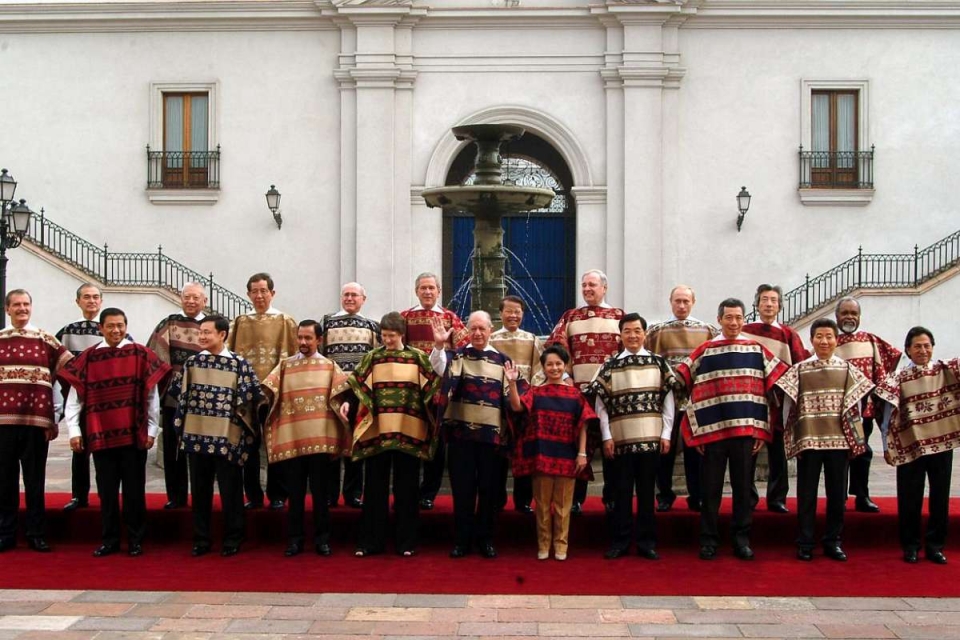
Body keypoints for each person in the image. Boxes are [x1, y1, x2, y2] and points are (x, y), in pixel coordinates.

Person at [675, 298, 788, 561]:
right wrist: (697, 428)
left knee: (743, 488)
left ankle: (741, 539)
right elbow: (682, 381)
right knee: (710, 489)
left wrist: (761, 429)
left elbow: (771, 387)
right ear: (719, 320)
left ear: (744, 320)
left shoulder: (756, 350)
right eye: (729, 317)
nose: (734, 322)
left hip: (745, 433)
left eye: (738, 317)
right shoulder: (705, 350)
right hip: (713, 433)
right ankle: (708, 540)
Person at [59, 308, 171, 557]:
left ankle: (135, 539)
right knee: (106, 492)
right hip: (101, 436)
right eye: (110, 326)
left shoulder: (140, 354)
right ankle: (109, 540)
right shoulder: (88, 358)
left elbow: (151, 396)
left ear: (126, 326)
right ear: (101, 328)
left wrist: (152, 429)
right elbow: (75, 398)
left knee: (134, 491)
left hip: (134, 435)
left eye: (120, 325)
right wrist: (75, 431)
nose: (116, 330)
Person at [337, 312, 442, 557]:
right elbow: (357, 384)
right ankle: (370, 542)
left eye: (391, 336)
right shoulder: (373, 357)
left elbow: (432, 385)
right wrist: (348, 403)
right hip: (379, 431)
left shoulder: (417, 358)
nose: (387, 340)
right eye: (384, 336)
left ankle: (407, 542)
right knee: (374, 488)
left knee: (407, 490)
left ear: (402, 334)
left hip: (409, 431)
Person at [775, 318, 872, 562]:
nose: (824, 341)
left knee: (837, 495)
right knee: (806, 493)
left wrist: (854, 437)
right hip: (810, 439)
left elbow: (857, 405)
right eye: (819, 336)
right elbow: (788, 405)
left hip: (838, 441)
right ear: (812, 340)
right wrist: (793, 435)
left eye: (829, 336)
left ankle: (833, 540)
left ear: (836, 340)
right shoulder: (800, 370)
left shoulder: (847, 370)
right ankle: (805, 541)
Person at [588, 313, 679, 561]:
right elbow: (601, 405)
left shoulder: (659, 364)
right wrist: (606, 437)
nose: (632, 335)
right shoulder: (609, 365)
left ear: (644, 333)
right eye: (627, 331)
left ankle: (647, 542)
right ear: (620, 334)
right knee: (621, 493)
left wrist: (666, 433)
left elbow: (669, 402)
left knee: (648, 494)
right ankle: (620, 541)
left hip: (651, 439)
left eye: (637, 330)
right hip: (620, 442)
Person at [171, 315, 260, 557]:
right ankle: (201, 538)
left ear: (222, 334)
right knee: (200, 491)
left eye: (207, 332)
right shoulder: (192, 363)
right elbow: (178, 395)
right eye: (201, 332)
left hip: (227, 439)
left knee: (231, 490)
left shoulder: (239, 365)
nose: (202, 336)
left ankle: (233, 537)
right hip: (197, 436)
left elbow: (252, 398)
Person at [431, 311, 515, 559]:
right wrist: (438, 345)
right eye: (473, 329)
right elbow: (438, 369)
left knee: (489, 492)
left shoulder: (502, 359)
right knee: (463, 491)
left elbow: (511, 397)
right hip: (461, 437)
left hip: (492, 440)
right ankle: (462, 540)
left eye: (482, 328)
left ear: (491, 330)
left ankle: (486, 539)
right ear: (466, 331)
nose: (477, 333)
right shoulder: (456, 356)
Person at [262, 320, 350, 557]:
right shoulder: (285, 366)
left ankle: (322, 540)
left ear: (319, 340)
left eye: (308, 338)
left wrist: (345, 405)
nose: (303, 342)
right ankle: (295, 540)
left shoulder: (329, 366)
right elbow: (267, 390)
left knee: (321, 495)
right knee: (295, 494)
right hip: (294, 439)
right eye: (300, 337)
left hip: (320, 440)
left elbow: (344, 394)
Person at [876, 326, 959, 565]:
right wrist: (887, 444)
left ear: (933, 348)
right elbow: (887, 414)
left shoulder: (945, 370)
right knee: (909, 496)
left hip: (941, 443)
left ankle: (935, 546)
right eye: (917, 346)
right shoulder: (898, 378)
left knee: (940, 496)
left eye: (926, 346)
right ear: (908, 350)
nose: (923, 350)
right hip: (910, 445)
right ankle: (910, 545)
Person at [506, 345, 594, 561]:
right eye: (550, 364)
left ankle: (561, 546)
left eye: (558, 364)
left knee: (564, 506)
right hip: (541, 454)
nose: (554, 368)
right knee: (543, 506)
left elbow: (584, 424)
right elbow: (517, 408)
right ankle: (544, 544)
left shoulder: (575, 395)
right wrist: (511, 382)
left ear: (565, 366)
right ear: (543, 368)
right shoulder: (535, 392)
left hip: (567, 455)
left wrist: (582, 453)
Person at [546, 269, 623, 514]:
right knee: (579, 446)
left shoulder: (619, 316)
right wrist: (566, 376)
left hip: (610, 395)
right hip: (578, 395)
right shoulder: (571, 316)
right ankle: (576, 498)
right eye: (584, 285)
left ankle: (611, 497)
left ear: (604, 288)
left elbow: (627, 350)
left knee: (612, 445)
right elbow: (555, 347)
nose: (588, 289)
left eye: (592, 285)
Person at [0, 290, 72, 553]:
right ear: (7, 309)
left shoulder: (46, 340)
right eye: (16, 305)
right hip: (2, 425)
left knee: (34, 480)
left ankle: (36, 533)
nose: (22, 309)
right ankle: (5, 533)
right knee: (4, 481)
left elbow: (67, 376)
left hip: (35, 424)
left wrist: (55, 417)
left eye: (26, 304)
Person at [644, 285, 719, 513]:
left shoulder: (707, 331)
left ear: (693, 302)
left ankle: (696, 495)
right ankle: (664, 494)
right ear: (670, 302)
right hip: (666, 398)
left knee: (694, 450)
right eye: (678, 301)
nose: (682, 305)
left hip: (697, 399)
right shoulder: (657, 332)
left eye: (686, 301)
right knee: (664, 448)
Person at [228, 272, 298, 510]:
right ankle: (253, 495)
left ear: (272, 293)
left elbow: (293, 356)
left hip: (275, 392)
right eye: (254, 291)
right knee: (249, 443)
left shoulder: (285, 321)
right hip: (246, 393)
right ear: (248, 294)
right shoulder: (240, 322)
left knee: (275, 443)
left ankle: (278, 494)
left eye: (264, 291)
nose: (259, 296)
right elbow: (232, 357)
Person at [400, 272, 468, 511]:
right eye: (423, 288)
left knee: (437, 443)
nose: (427, 292)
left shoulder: (450, 317)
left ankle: (429, 492)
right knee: (410, 439)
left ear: (439, 291)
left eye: (432, 288)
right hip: (411, 390)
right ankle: (407, 490)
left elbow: (462, 350)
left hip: (440, 392)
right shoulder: (405, 317)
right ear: (416, 291)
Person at [742, 284, 810, 513]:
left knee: (778, 452)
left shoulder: (788, 334)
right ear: (757, 303)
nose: (768, 304)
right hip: (750, 399)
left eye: (773, 300)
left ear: (780, 305)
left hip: (779, 401)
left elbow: (799, 365)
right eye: (764, 300)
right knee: (749, 450)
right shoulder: (745, 331)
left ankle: (777, 497)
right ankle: (747, 496)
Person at [834, 296, 903, 513]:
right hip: (835, 409)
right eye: (845, 313)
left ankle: (862, 495)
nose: (849, 317)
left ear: (860, 317)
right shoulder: (830, 341)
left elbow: (891, 359)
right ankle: (839, 496)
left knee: (862, 451)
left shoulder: (871, 340)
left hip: (864, 407)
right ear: (837, 317)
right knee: (838, 455)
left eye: (853, 313)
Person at [146, 282, 208, 510]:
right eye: (187, 297)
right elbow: (156, 357)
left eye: (196, 297)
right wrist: (172, 386)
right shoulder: (169, 323)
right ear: (181, 299)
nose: (191, 301)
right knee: (173, 450)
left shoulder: (211, 325)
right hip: (174, 398)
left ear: (205, 301)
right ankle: (176, 496)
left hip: (205, 400)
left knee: (201, 451)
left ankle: (202, 497)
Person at [320, 282, 380, 509]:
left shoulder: (372, 326)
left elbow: (374, 361)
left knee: (356, 445)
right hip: (332, 392)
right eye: (346, 294)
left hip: (359, 394)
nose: (350, 298)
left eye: (355, 295)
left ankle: (353, 493)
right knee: (333, 443)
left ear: (364, 299)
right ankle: (329, 494)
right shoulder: (327, 322)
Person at [489, 294, 543, 513]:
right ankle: (497, 499)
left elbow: (539, 371)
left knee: (524, 451)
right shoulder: (491, 340)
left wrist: (529, 396)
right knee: (499, 455)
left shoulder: (531, 340)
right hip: (498, 406)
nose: (513, 315)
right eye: (508, 311)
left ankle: (523, 500)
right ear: (500, 313)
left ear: (523, 314)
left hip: (524, 405)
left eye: (517, 311)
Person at [56, 283, 107, 512]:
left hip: (107, 403)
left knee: (106, 452)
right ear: (78, 302)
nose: (92, 301)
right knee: (79, 449)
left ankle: (107, 493)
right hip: (80, 400)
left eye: (96, 297)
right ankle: (79, 495)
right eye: (87, 297)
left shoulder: (111, 329)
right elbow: (57, 362)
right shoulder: (67, 332)